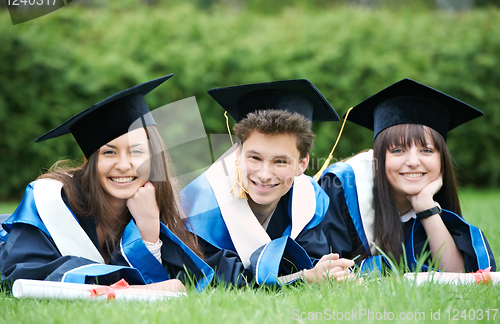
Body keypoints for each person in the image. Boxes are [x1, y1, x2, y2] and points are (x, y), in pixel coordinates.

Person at [0, 74, 213, 292]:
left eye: (136, 151)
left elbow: (187, 276)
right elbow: (25, 275)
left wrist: (149, 229)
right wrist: (129, 288)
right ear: (90, 161)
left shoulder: (156, 202)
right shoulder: (51, 200)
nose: (123, 165)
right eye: (109, 152)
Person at [181, 79, 356, 286]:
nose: (264, 175)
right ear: (237, 153)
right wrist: (303, 279)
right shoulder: (201, 203)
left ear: (302, 164)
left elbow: (313, 263)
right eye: (254, 158)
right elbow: (217, 280)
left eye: (280, 161)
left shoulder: (308, 201)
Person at [318, 78, 496, 273]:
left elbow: (457, 277)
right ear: (379, 157)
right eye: (398, 150)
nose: (413, 161)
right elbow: (328, 269)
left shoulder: (432, 200)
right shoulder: (342, 186)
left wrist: (426, 208)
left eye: (427, 151)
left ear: (441, 159)